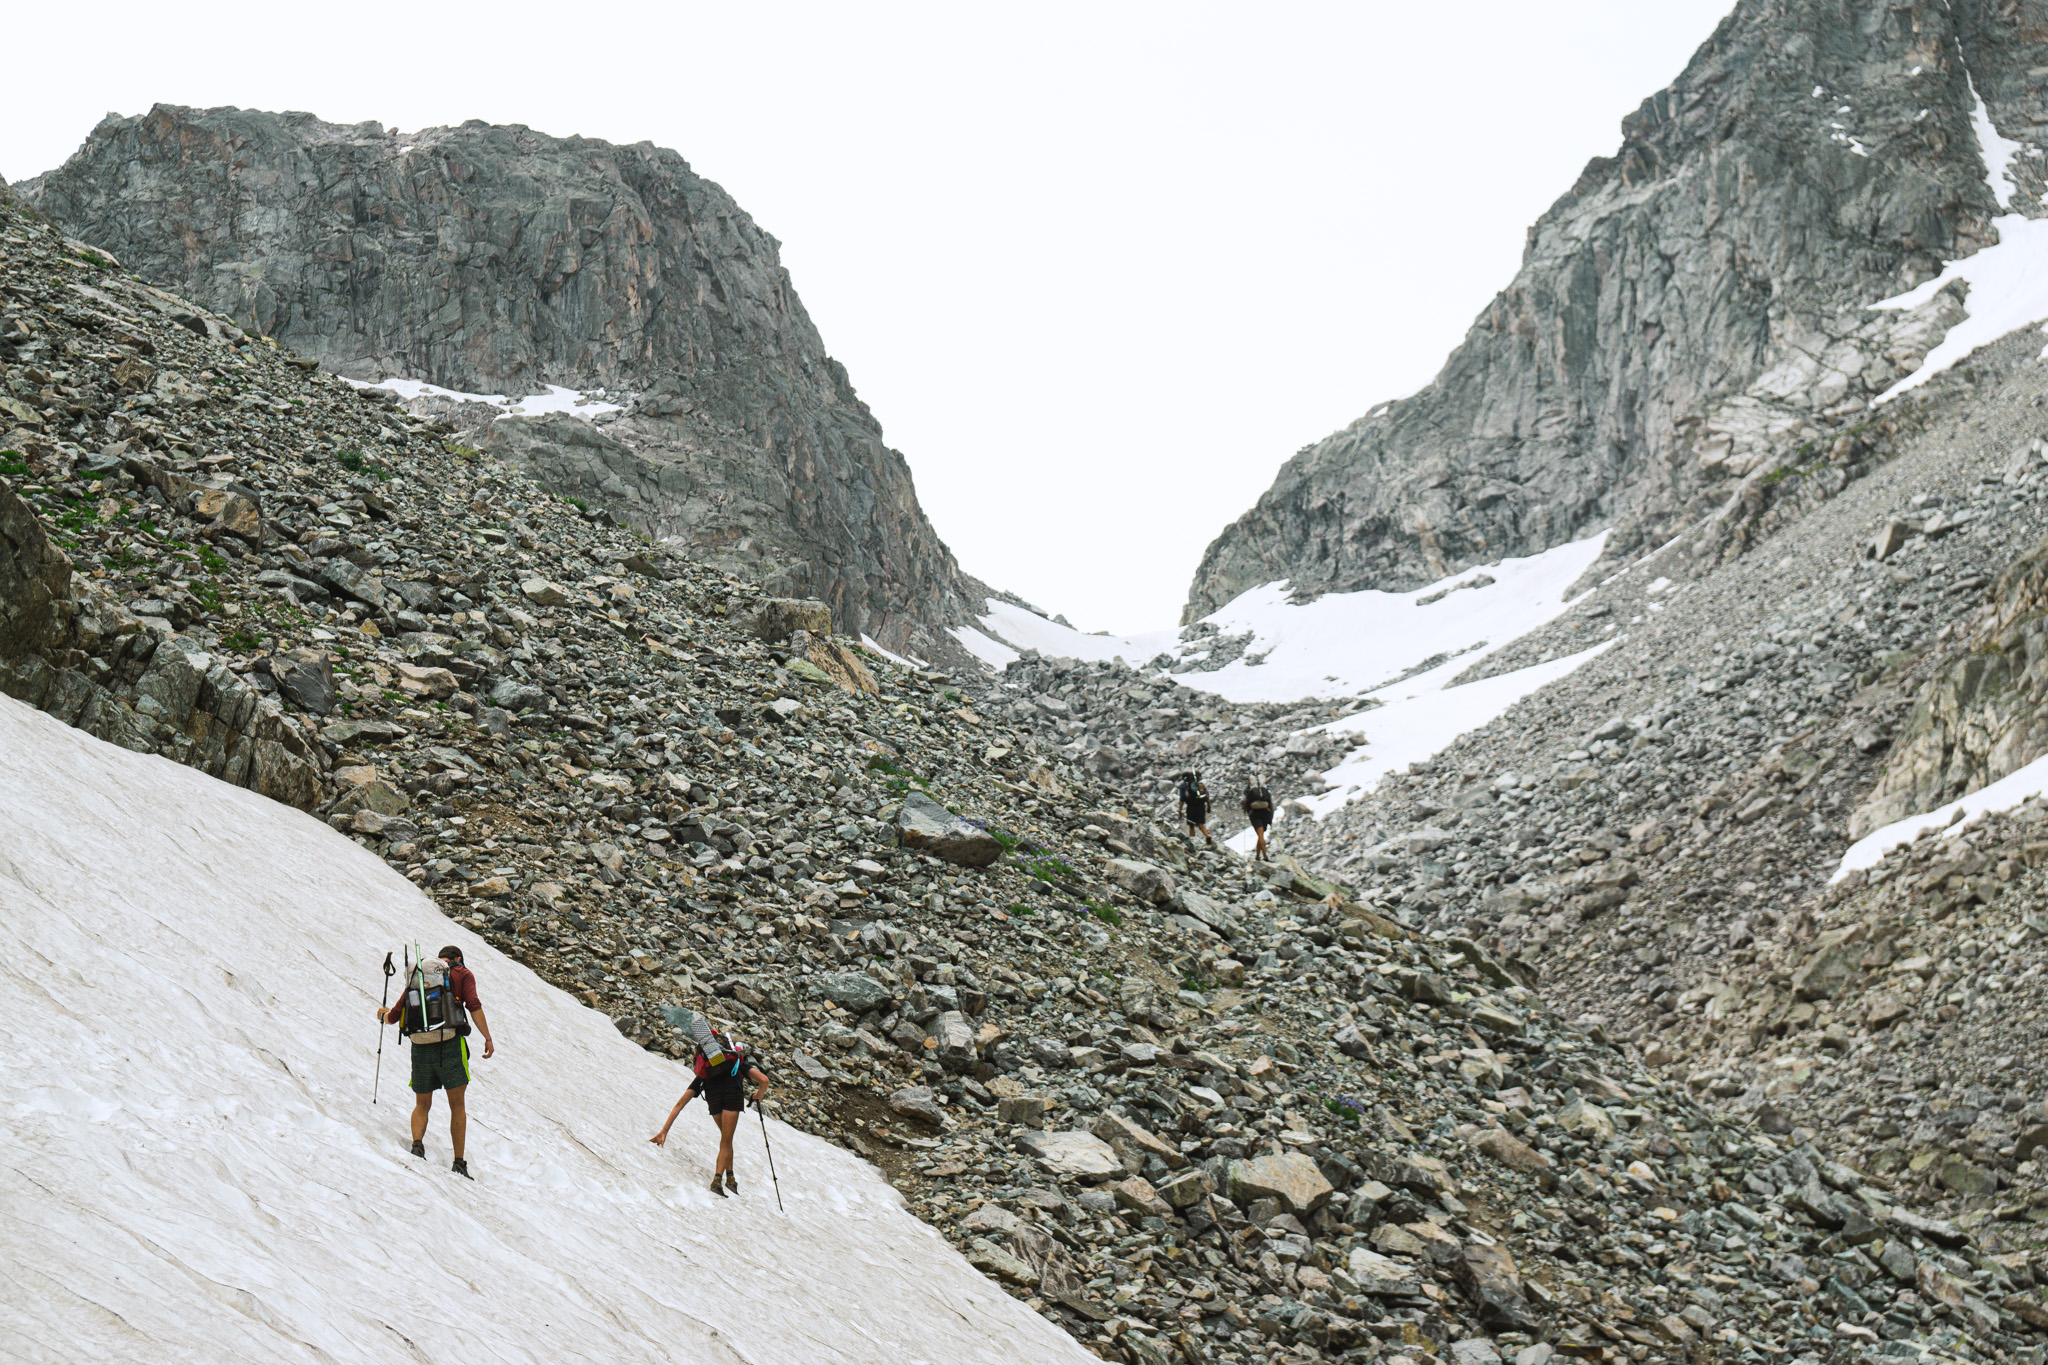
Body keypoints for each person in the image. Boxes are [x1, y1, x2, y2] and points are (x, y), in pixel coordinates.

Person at [376, 944, 494, 1179]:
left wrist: (381, 1013)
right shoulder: (462, 974)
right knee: (457, 1105)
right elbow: (474, 1006)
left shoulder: (419, 976)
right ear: (458, 958)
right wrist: (487, 1037)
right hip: (450, 1045)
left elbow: (393, 1016)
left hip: (420, 1048)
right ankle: (459, 1163)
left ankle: (417, 1145)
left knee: (422, 1103)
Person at [650, 1029, 771, 1195]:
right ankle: (717, 1180)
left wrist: (664, 1131)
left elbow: (680, 1103)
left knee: (726, 1139)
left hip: (714, 1101)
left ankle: (730, 1178)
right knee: (726, 1140)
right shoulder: (736, 1061)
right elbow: (764, 1080)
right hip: (732, 1098)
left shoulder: (704, 1072)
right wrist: (759, 1095)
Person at [1177, 770, 1215, 846]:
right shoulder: (1199, 784)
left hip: (1191, 807)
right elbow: (1207, 797)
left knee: (1191, 825)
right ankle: (1207, 836)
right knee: (1201, 824)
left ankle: (1192, 841)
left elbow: (1182, 800)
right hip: (1201, 805)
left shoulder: (1183, 786)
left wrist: (1180, 811)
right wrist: (1209, 807)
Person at [1242, 776, 1274, 861]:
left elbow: (1246, 802)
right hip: (1266, 814)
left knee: (1260, 835)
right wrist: (1271, 817)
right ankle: (1258, 855)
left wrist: (1248, 812)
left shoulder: (1248, 789)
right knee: (1261, 835)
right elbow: (1270, 802)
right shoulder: (1266, 789)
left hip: (1255, 814)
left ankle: (1264, 855)